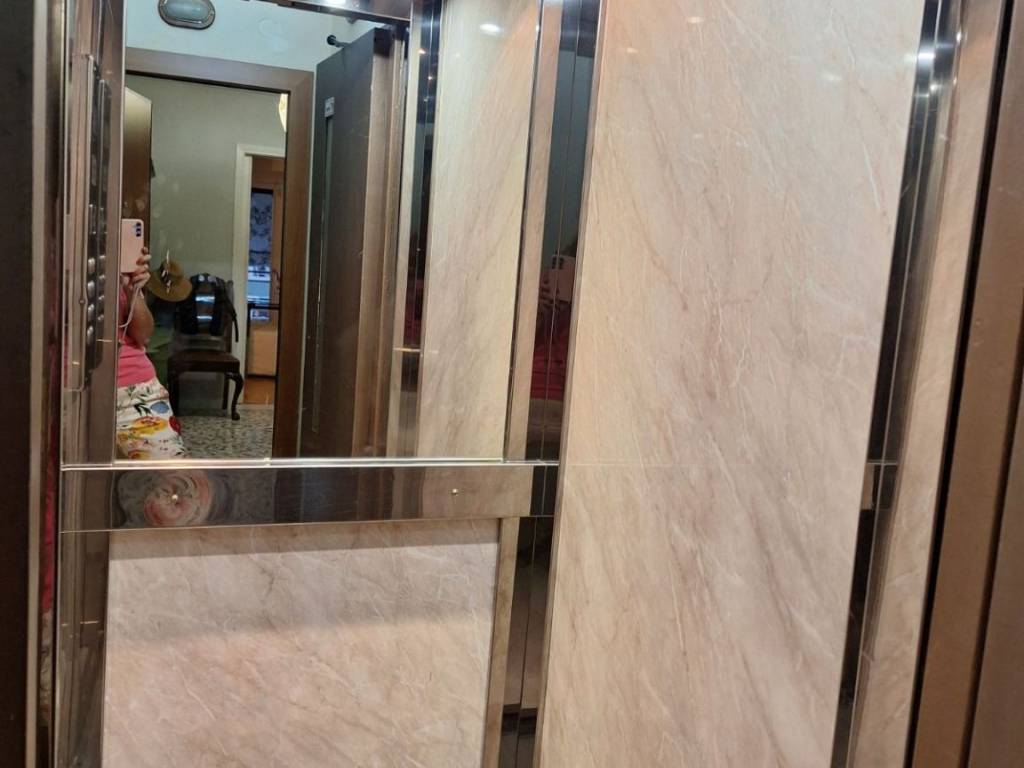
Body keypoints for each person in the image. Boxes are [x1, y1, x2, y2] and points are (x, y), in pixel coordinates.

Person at [115, 248, 187, 459]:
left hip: (136, 389)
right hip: (64, 388)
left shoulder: (118, 269)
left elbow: (144, 336)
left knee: (178, 476)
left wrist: (132, 290)